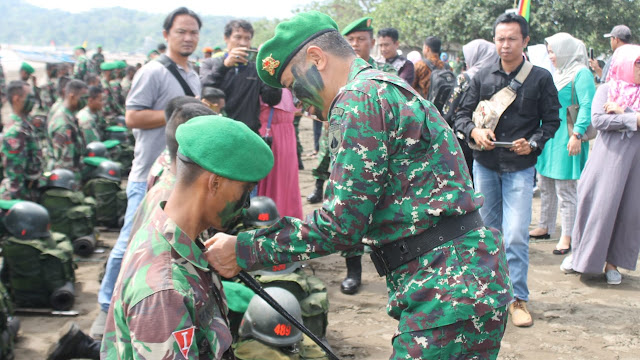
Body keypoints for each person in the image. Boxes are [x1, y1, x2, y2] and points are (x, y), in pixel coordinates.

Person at [207, 11, 512, 359]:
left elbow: (341, 226)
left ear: (317, 59)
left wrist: (245, 249)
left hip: (445, 288)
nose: (300, 103)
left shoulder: (357, 100)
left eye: (294, 85)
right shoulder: (383, 86)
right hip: (465, 279)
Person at [101, 115, 273, 359]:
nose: (245, 205)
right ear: (215, 183)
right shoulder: (166, 291)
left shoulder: (169, 233)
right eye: (245, 191)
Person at [93, 6, 202, 337]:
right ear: (166, 35)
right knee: (129, 242)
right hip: (146, 176)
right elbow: (132, 118)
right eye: (181, 31)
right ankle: (103, 308)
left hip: (178, 177)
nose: (188, 37)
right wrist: (177, 114)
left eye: (193, 32)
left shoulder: (194, 74)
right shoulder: (153, 71)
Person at [454, 13, 561, 328]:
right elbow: (460, 115)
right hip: (485, 166)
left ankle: (517, 299)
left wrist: (534, 142)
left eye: (512, 38)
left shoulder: (540, 78)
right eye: (500, 39)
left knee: (515, 235)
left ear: (525, 41)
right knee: (487, 235)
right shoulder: (481, 76)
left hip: (520, 168)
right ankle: (488, 297)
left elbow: (552, 120)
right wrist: (474, 132)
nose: (505, 45)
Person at [562, 44, 640, 285]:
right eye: (637, 63)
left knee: (628, 212)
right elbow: (598, 119)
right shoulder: (607, 89)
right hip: (607, 161)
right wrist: (634, 117)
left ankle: (613, 263)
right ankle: (583, 257)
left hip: (635, 164)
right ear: (624, 64)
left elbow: (614, 119)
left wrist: (623, 111)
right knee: (598, 207)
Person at [530, 33, 595, 255]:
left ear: (565, 50)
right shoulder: (557, 73)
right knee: (545, 182)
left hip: (568, 138)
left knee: (565, 189)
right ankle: (545, 226)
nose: (551, 56)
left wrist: (577, 134)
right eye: (548, 51)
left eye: (553, 51)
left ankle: (568, 235)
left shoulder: (581, 73)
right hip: (549, 137)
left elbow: (587, 105)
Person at [200, 19, 282, 133]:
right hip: (216, 131)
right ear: (226, 38)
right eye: (238, 37)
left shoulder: (256, 68)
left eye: (247, 38)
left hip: (248, 133)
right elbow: (204, 88)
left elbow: (272, 100)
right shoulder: (210, 63)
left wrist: (270, 73)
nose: (243, 43)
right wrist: (224, 66)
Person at [257, 88, 303, 219]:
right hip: (287, 137)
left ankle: (265, 215)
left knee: (271, 177)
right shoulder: (288, 92)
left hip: (270, 136)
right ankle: (287, 214)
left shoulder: (266, 91)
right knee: (287, 179)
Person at [0, 81, 43, 201]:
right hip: (22, 195)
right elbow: (15, 176)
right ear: (16, 99)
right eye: (29, 97)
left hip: (31, 188)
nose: (33, 101)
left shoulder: (25, 123)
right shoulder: (16, 131)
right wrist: (20, 204)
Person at [47, 79, 89, 178]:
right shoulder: (63, 124)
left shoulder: (70, 116)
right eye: (83, 97)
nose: (86, 101)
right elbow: (65, 163)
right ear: (72, 96)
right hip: (65, 177)